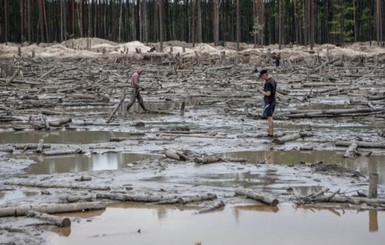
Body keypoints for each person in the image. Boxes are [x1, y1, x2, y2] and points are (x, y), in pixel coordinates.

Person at [258, 69, 277, 137]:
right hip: (273, 101)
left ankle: (270, 134)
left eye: (262, 77)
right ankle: (270, 132)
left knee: (269, 118)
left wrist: (261, 91)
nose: (262, 78)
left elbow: (268, 94)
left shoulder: (268, 83)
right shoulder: (273, 81)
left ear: (265, 75)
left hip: (269, 101)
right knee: (270, 117)